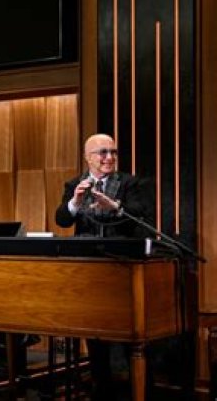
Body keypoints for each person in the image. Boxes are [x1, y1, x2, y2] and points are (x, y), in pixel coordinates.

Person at [55, 133, 154, 399]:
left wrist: (116, 206)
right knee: (95, 335)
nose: (109, 157)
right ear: (88, 158)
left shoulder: (130, 183)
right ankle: (102, 390)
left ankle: (138, 391)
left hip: (122, 268)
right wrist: (75, 202)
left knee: (128, 335)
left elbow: (142, 213)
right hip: (88, 271)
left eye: (113, 152)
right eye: (103, 153)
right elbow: (62, 220)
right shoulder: (74, 183)